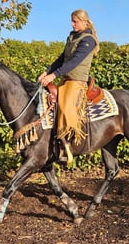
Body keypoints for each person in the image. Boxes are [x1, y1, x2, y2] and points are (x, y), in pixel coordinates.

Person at [38, 9, 99, 163]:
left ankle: (68, 144)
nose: (72, 25)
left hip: (77, 81)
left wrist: (53, 75)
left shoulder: (88, 40)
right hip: (65, 79)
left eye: (75, 21)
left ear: (84, 21)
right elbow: (62, 59)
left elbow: (74, 61)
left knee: (65, 106)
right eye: (72, 21)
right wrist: (47, 71)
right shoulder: (72, 37)